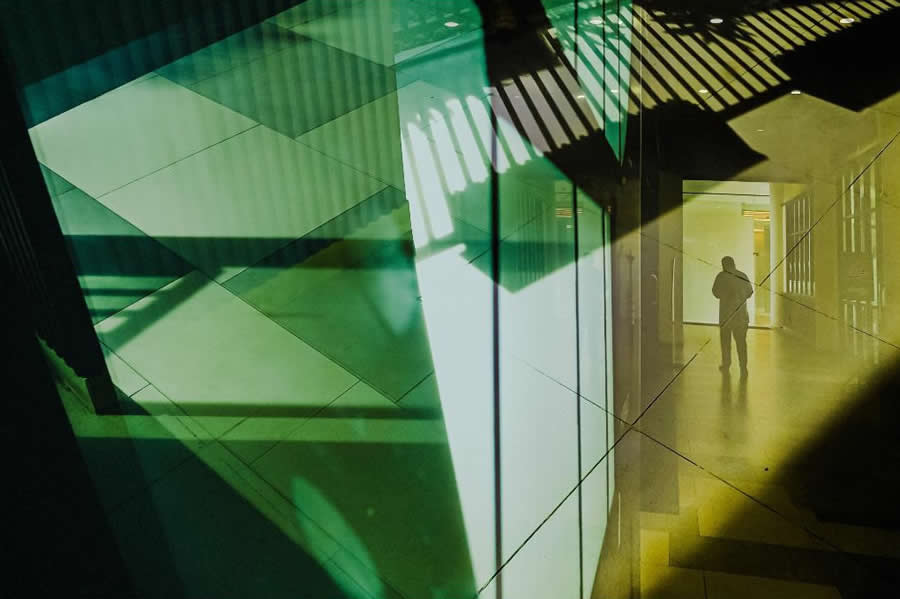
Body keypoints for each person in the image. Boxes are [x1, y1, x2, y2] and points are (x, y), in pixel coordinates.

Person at [712, 256, 753, 377]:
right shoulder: (743, 275)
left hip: (725, 316)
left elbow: (715, 293)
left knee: (725, 342)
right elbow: (750, 292)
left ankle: (726, 364)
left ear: (724, 264)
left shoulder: (721, 277)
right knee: (741, 343)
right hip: (741, 317)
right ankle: (743, 367)